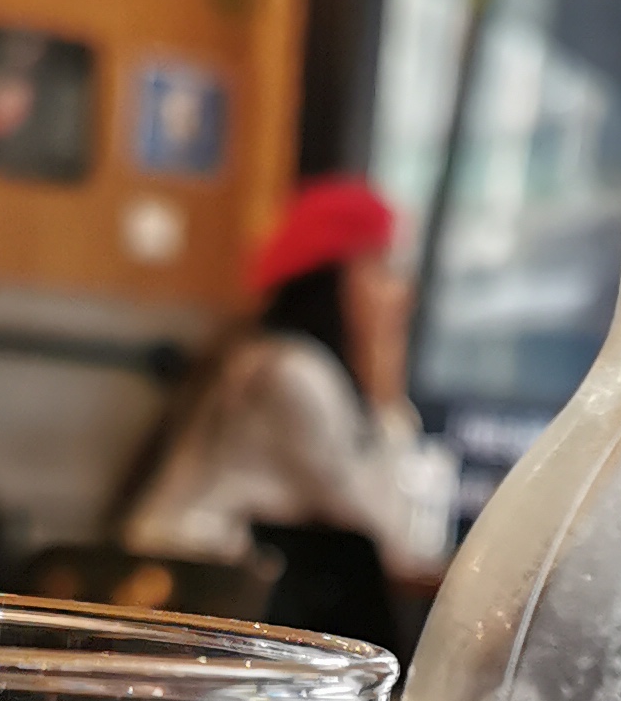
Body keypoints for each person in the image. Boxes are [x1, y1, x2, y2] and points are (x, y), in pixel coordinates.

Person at [117, 175, 450, 584]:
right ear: (334, 278)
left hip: (191, 579)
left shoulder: (267, 356)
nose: (403, 293)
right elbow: (385, 535)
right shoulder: (295, 375)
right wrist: (388, 403)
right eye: (384, 267)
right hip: (187, 588)